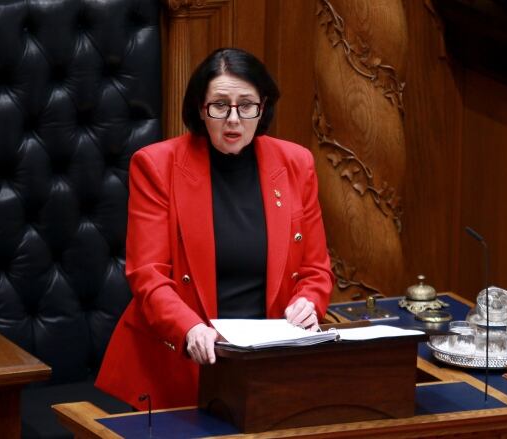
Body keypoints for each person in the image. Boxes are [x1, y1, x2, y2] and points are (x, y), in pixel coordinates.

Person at [95, 48, 333, 410]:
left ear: (263, 106)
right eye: (220, 105)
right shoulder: (158, 166)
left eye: (247, 105)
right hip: (178, 363)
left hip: (266, 363)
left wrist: (309, 302)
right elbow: (148, 276)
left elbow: (316, 270)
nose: (234, 120)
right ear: (200, 109)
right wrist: (189, 329)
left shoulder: (295, 163)